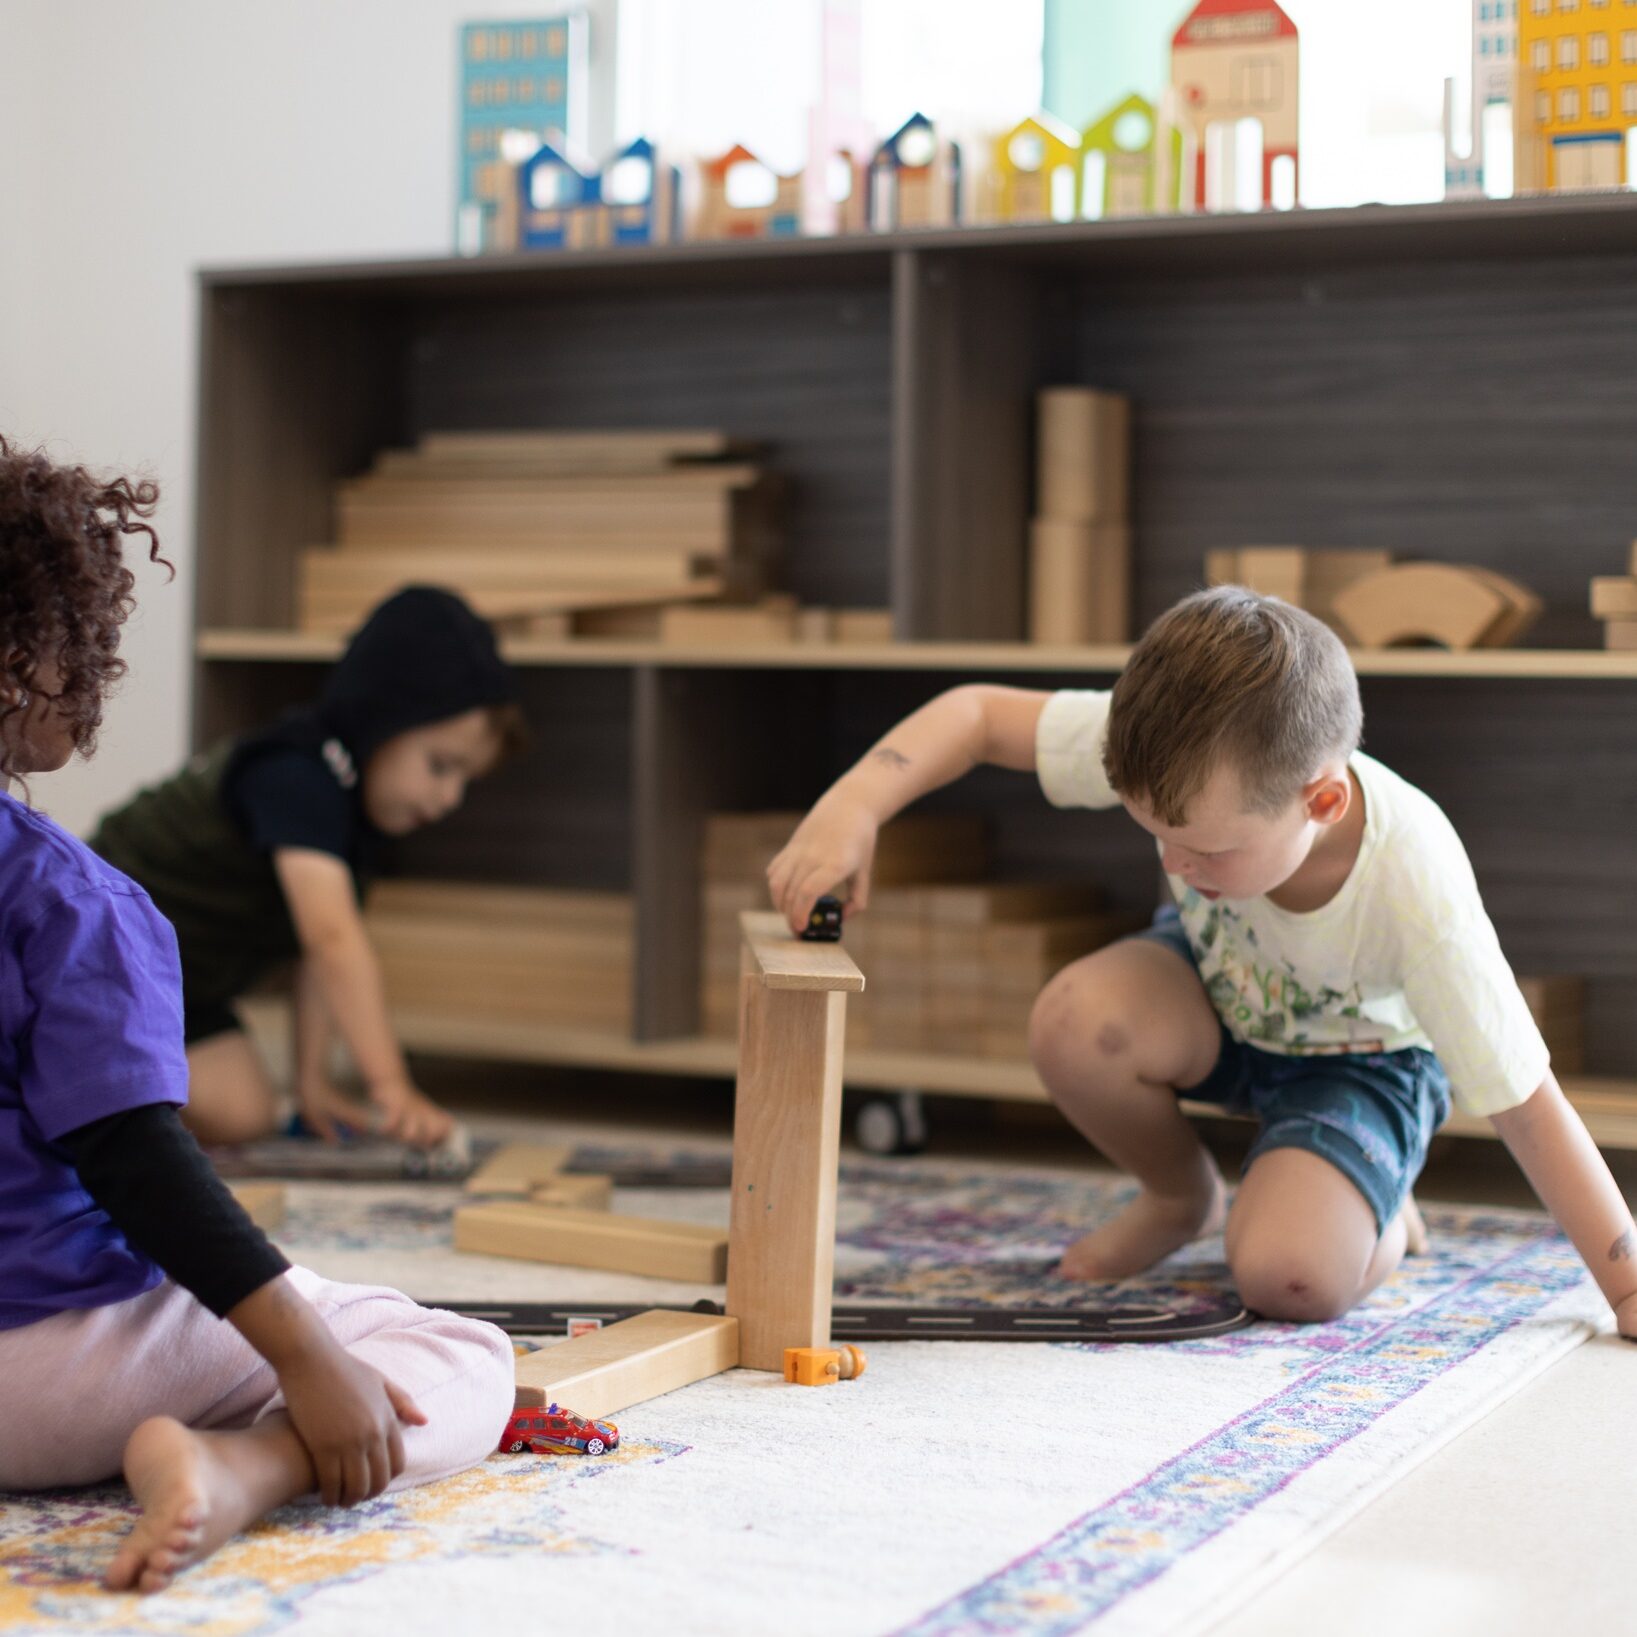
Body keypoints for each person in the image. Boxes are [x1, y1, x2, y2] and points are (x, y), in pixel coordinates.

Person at [768, 586, 1637, 1331]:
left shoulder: (1419, 888)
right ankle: (1181, 1196)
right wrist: (852, 808)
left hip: (1359, 1061)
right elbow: (976, 715)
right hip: (1220, 987)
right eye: (1155, 837)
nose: (1175, 865)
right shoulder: (1177, 748)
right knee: (1074, 1019)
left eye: (1205, 850)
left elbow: (1528, 1105)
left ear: (1322, 800)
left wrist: (1626, 1283)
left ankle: (1377, 1198)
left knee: (1288, 1278)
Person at [0, 435, 513, 1592]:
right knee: (453, 1353)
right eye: (87, 657)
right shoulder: (67, 899)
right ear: (25, 660)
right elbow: (134, 1156)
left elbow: (309, 955)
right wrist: (304, 1353)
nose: (91, 687)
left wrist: (323, 1084)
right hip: (40, 1374)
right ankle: (245, 1468)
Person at [91, 584, 528, 1149]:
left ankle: (94, 1072)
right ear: (379, 723)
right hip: (101, 951)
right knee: (151, 1094)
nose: (450, 798)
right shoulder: (296, 774)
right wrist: (390, 1085)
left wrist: (311, 1082)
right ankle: (50, 1062)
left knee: (243, 1115)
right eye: (440, 766)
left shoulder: (356, 816)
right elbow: (331, 940)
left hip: (180, 988)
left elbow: (313, 958)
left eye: (465, 779)